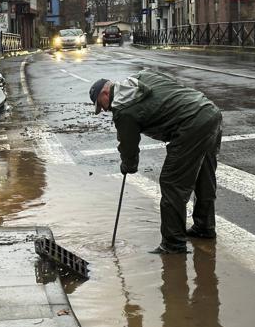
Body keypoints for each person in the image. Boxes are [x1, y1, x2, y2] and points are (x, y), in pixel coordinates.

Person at [89, 71, 222, 254]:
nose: (104, 110)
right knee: (204, 178)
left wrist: (127, 165)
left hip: (191, 125)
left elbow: (129, 147)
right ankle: (204, 228)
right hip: (209, 111)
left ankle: (173, 244)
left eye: (100, 105)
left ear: (105, 94)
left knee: (171, 183)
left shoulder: (122, 109)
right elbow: (172, 88)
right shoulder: (142, 77)